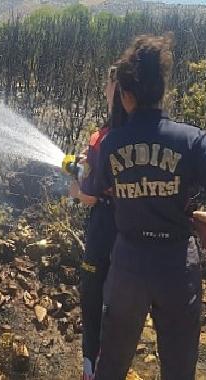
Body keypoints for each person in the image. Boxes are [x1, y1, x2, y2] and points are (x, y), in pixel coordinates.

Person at [85, 35, 206, 380]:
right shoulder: (189, 140)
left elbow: (94, 192)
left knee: (111, 363)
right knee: (178, 365)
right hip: (176, 266)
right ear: (162, 91)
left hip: (127, 264)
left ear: (127, 95)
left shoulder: (112, 142)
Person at [69, 65, 126, 380]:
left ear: (116, 89)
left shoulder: (102, 138)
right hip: (133, 235)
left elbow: (90, 195)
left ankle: (91, 370)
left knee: (92, 301)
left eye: (107, 83)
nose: (104, 89)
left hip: (104, 229)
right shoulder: (140, 132)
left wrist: (77, 183)